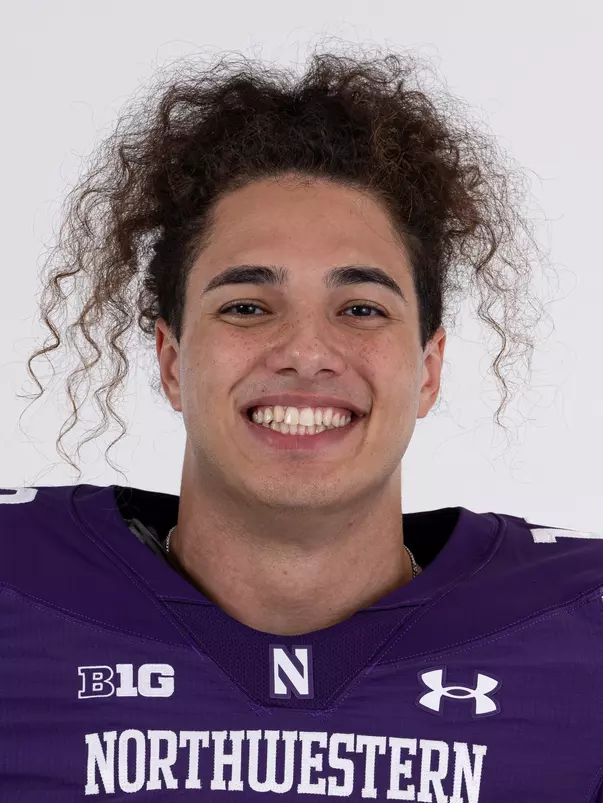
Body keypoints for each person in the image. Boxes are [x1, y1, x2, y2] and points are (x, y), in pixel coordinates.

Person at [1, 47, 602, 802]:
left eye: (360, 309)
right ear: (169, 359)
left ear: (427, 368)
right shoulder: (19, 590)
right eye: (246, 306)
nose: (306, 352)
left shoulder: (582, 632)